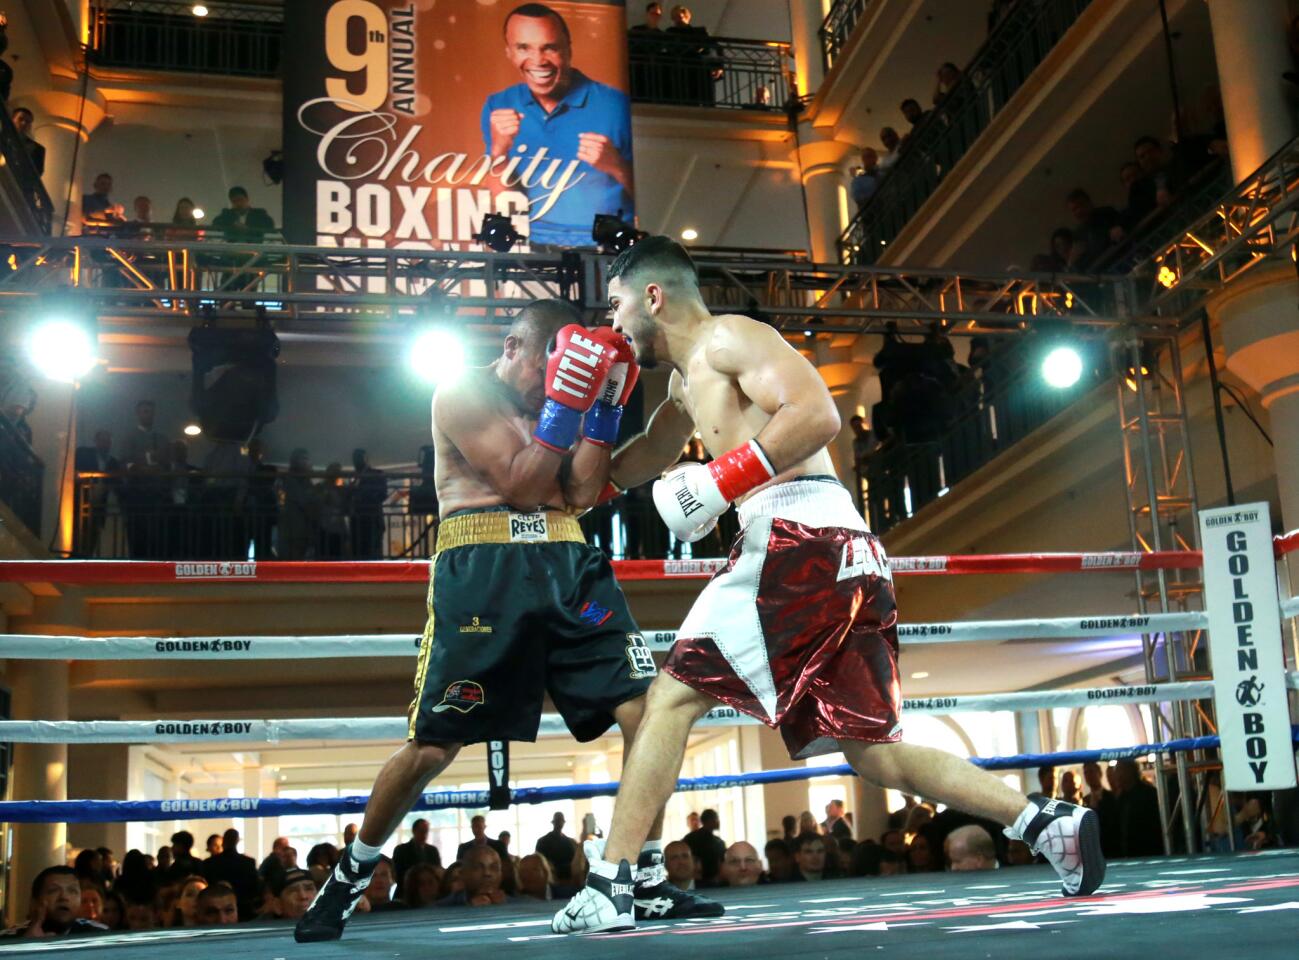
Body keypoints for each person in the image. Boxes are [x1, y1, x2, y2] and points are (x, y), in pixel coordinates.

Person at [552, 236, 1105, 933]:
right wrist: (573, 478)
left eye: (617, 301)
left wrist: (720, 482)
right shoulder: (681, 380)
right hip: (836, 549)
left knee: (668, 699)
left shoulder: (730, 339)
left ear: (653, 296)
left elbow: (816, 414)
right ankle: (1042, 819)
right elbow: (646, 461)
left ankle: (612, 882)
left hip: (797, 541)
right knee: (873, 753)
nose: (612, 319)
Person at [295, 300, 720, 943]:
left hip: (570, 565)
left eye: (569, 369)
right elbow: (523, 487)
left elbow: (576, 495)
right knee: (435, 746)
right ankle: (349, 878)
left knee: (649, 714)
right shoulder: (464, 389)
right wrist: (567, 408)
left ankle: (643, 875)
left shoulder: (569, 400)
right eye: (551, 363)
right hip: (485, 572)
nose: (556, 380)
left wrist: (599, 413)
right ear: (516, 345)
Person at [482, 3, 633, 246]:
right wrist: (499, 150)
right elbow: (502, 199)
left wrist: (615, 166)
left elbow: (649, 199)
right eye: (523, 48)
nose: (538, 60)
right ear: (509, 52)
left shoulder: (614, 104)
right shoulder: (498, 105)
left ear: (568, 50)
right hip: (530, 250)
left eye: (549, 48)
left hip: (601, 252)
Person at [1, 867, 107, 938]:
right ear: (35, 902)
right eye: (53, 890)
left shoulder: (99, 935)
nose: (64, 897)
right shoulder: (8, 940)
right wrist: (26, 948)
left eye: (72, 891)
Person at [201, 828, 260, 920]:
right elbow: (255, 887)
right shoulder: (248, 862)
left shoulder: (210, 863)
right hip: (245, 909)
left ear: (223, 841)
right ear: (237, 841)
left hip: (215, 910)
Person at [391, 819, 441, 898]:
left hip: (429, 893)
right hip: (405, 892)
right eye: (421, 831)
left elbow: (437, 871)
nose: (424, 835)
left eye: (426, 832)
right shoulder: (401, 850)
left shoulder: (432, 850)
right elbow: (397, 873)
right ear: (414, 831)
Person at [211, 186, 275, 242]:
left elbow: (270, 224)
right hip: (232, 249)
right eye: (234, 201)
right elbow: (216, 223)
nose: (238, 203)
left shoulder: (259, 214)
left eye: (240, 200)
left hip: (255, 248)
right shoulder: (227, 214)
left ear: (247, 199)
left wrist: (248, 229)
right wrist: (232, 223)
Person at [682, 808, 725, 885]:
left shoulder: (689, 838)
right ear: (710, 821)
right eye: (716, 819)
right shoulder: (718, 842)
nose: (719, 822)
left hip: (692, 882)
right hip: (712, 882)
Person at [535, 811, 577, 885]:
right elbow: (538, 862)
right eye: (558, 821)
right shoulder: (543, 841)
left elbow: (574, 862)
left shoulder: (570, 842)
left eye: (561, 821)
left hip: (567, 879)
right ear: (553, 822)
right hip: (550, 879)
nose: (559, 823)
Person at [12, 107, 45, 176]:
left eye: (27, 122)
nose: (23, 123)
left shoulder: (38, 149)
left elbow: (35, 175)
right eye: (20, 119)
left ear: (30, 126)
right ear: (13, 120)